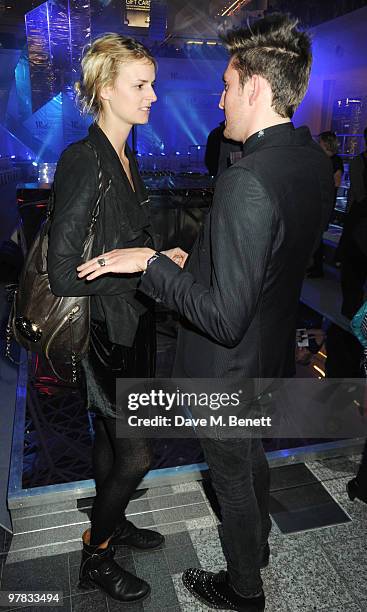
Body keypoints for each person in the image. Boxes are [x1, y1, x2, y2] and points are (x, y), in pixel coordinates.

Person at [77, 15, 335, 611]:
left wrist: (152, 265)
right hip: (272, 353)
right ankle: (259, 547)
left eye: (225, 84)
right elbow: (267, 257)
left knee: (233, 478)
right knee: (253, 458)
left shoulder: (248, 178)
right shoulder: (309, 160)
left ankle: (243, 586)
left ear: (255, 89)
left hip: (227, 367)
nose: (218, 98)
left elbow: (222, 317)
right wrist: (196, 256)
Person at [47, 34, 183, 604]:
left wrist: (159, 256)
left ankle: (113, 520)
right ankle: (95, 556)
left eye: (152, 83)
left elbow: (128, 243)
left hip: (135, 327)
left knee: (110, 441)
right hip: (104, 336)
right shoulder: (85, 160)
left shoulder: (128, 157)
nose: (153, 95)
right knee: (137, 452)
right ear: (105, 89)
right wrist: (141, 267)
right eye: (141, 85)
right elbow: (60, 272)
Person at [339, 126, 367, 318]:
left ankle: (352, 309)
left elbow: (358, 193)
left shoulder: (359, 161)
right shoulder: (359, 161)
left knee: (353, 269)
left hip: (359, 219)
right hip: (359, 219)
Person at [307, 130, 344, 277]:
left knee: (317, 236)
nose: (318, 143)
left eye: (320, 141)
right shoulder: (322, 159)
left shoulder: (335, 161)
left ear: (326, 143)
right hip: (319, 202)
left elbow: (336, 183)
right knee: (315, 236)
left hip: (324, 204)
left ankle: (317, 268)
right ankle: (315, 266)